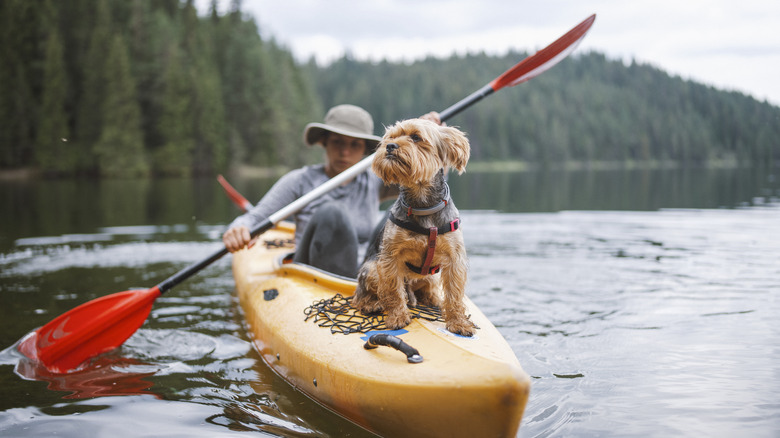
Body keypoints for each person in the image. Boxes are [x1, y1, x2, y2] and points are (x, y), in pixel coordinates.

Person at [222, 104, 441, 278]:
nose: (345, 151)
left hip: (367, 272)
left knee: (399, 216)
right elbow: (255, 218)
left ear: (365, 149)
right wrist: (239, 228)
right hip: (314, 275)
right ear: (324, 143)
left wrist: (426, 138)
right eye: (337, 142)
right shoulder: (299, 180)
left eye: (354, 144)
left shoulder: (375, 180)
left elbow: (427, 183)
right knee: (333, 214)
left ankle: (382, 286)